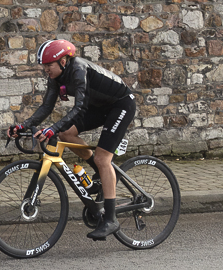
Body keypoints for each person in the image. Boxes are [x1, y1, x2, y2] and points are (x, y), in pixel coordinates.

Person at [7, 38, 136, 240]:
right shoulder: (55, 77)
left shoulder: (79, 69)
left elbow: (80, 108)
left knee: (103, 159)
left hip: (120, 105)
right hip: (100, 107)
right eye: (44, 66)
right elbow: (46, 108)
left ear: (63, 61)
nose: (45, 70)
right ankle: (100, 176)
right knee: (66, 134)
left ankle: (111, 220)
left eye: (48, 65)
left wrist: (52, 128)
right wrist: (24, 125)